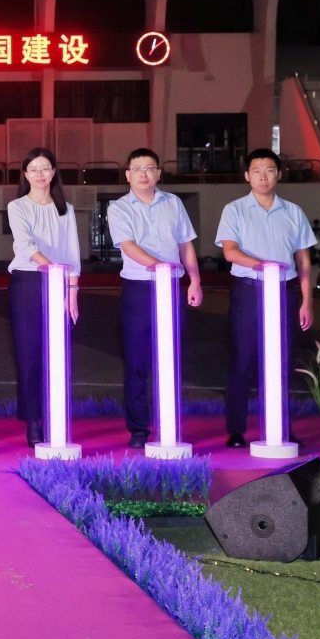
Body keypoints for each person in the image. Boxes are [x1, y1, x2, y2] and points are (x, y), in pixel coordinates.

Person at [214, 149, 317, 449]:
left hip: (284, 292)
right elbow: (230, 251)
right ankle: (236, 429)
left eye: (269, 170)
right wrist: (263, 265)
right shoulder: (234, 210)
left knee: (281, 361)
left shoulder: (293, 212)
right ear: (247, 175)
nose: (263, 176)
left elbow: (304, 260)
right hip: (249, 290)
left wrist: (307, 300)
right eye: (257, 171)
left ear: (279, 174)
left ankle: (281, 427)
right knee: (242, 360)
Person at [107, 148, 202, 448]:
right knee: (136, 360)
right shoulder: (119, 208)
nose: (144, 174)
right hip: (139, 289)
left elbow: (185, 245)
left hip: (171, 287)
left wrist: (195, 280)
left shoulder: (173, 203)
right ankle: (138, 427)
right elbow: (128, 246)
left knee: (170, 357)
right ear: (128, 175)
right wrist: (159, 265)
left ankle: (169, 423)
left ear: (159, 173)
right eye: (137, 169)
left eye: (149, 168)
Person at [7, 147, 81, 446]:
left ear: (53, 172)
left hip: (60, 283)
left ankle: (55, 416)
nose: (40, 174)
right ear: (25, 174)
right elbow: (25, 245)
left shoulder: (66, 209)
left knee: (57, 355)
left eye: (45, 168)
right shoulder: (17, 206)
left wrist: (72, 291)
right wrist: (52, 269)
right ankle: (33, 421)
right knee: (29, 355)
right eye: (34, 169)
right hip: (29, 283)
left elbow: (73, 252)